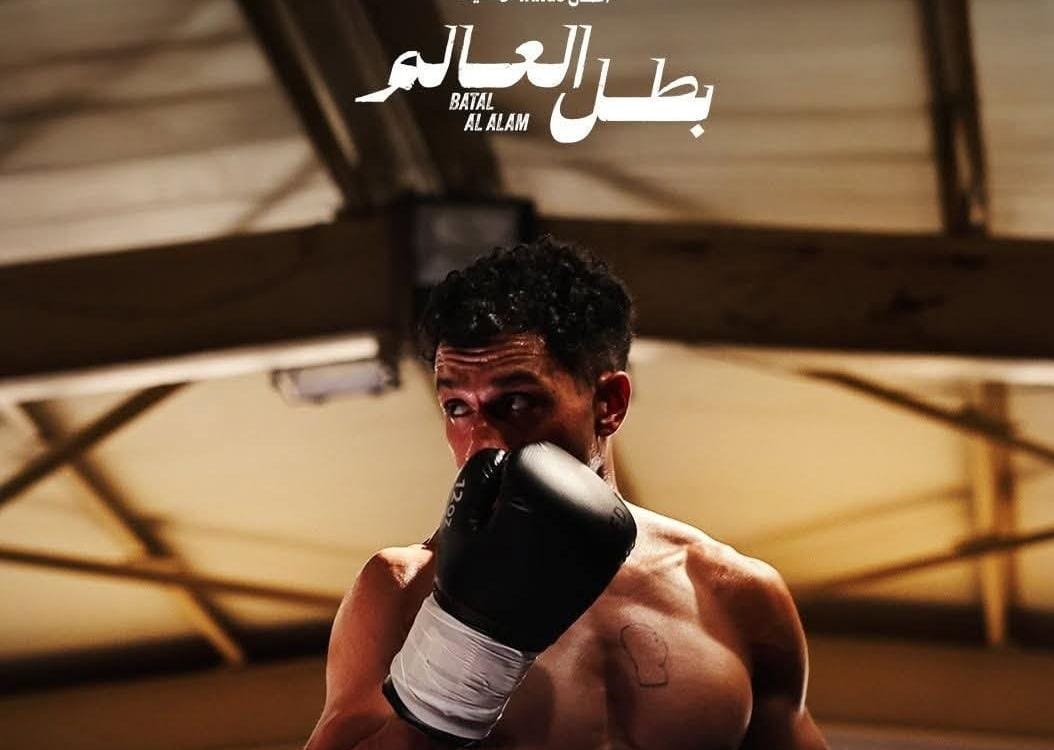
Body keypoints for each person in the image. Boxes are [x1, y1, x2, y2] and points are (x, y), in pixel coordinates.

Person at [304, 235, 829, 749]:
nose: (482, 441)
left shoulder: (733, 594)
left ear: (609, 403)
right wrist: (462, 647)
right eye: (457, 407)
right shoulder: (401, 590)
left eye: (517, 402)